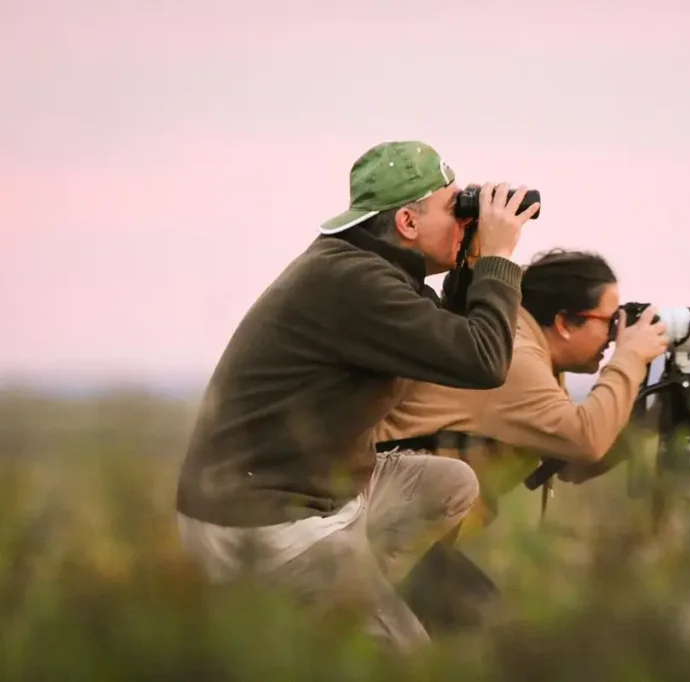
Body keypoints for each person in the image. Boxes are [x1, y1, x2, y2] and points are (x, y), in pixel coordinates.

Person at [173, 139, 540, 651]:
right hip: (267, 519)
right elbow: (483, 360)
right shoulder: (358, 285)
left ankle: (345, 599)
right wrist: (500, 258)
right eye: (454, 207)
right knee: (411, 658)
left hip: (301, 491)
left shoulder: (365, 270)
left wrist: (471, 262)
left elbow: (450, 343)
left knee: (450, 484)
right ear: (407, 224)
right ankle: (345, 619)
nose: (465, 218)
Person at [373, 248, 669, 631]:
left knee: (484, 629)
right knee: (490, 633)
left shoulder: (528, 350)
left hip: (407, 527)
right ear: (565, 322)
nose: (613, 338)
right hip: (385, 526)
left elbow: (571, 464)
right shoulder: (515, 357)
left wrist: (654, 420)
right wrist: (629, 359)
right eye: (609, 323)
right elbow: (586, 441)